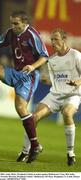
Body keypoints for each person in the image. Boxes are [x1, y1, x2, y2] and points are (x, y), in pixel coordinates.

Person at [0, 11, 49, 163]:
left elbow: (44, 56)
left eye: (16, 24)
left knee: (21, 109)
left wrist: (33, 67)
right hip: (15, 72)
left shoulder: (32, 34)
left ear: (24, 23)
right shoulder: (10, 33)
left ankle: (35, 145)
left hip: (29, 77)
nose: (13, 26)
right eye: (11, 23)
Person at [17, 28, 81, 166]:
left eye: (56, 39)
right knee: (33, 118)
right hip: (55, 94)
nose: (53, 42)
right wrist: (46, 79)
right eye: (51, 39)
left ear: (64, 40)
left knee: (67, 113)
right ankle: (26, 151)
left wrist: (76, 82)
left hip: (72, 94)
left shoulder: (75, 55)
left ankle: (70, 153)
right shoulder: (51, 59)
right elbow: (55, 78)